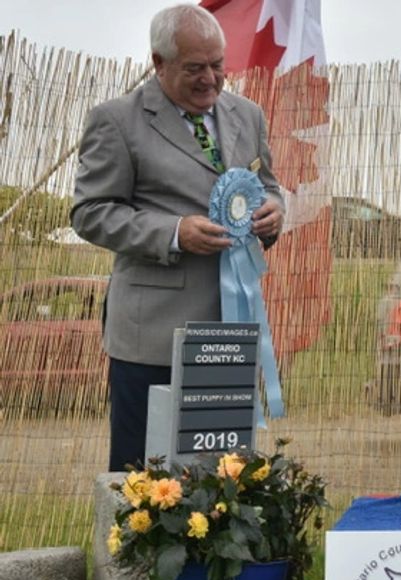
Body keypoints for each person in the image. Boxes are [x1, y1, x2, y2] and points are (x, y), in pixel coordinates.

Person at [71, 4, 284, 472]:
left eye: (218, 65)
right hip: (152, 336)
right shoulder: (116, 120)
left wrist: (274, 210)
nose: (210, 79)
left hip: (230, 331)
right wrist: (173, 233)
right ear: (159, 63)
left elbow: (267, 184)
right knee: (144, 481)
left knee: (223, 475)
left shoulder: (247, 115)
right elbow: (90, 212)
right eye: (194, 68)